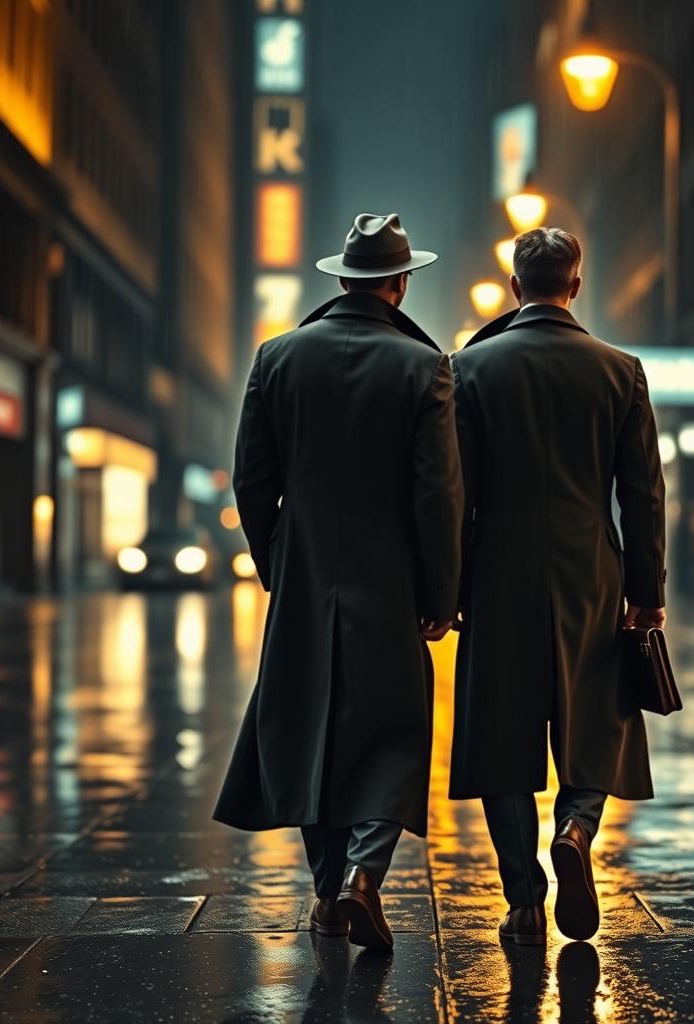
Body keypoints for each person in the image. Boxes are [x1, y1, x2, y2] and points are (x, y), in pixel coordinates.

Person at [213, 213, 463, 950]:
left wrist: (277, 562)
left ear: (343, 278)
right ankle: (361, 877)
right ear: (399, 283)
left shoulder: (277, 357)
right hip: (389, 579)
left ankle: (329, 888)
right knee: (393, 729)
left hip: (305, 571)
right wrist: (440, 596)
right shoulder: (424, 367)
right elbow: (438, 495)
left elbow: (251, 482)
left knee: (304, 722)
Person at [450, 227, 667, 945]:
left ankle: (522, 898)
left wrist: (446, 587)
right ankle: (575, 829)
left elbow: (453, 493)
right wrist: (646, 591)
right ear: (576, 286)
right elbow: (643, 495)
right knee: (596, 719)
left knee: (501, 735)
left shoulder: (469, 369)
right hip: (591, 572)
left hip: (497, 569)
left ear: (515, 288)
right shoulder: (620, 370)